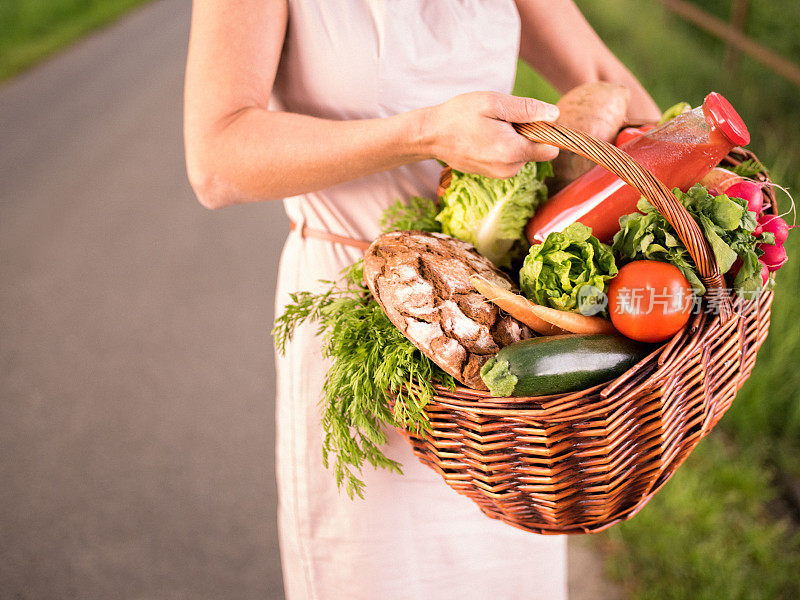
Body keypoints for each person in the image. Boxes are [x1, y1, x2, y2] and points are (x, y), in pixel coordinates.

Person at [183, 1, 661, 598]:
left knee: (507, 569)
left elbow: (597, 71)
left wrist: (705, 170)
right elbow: (216, 158)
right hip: (356, 311)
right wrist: (425, 133)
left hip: (492, 312)